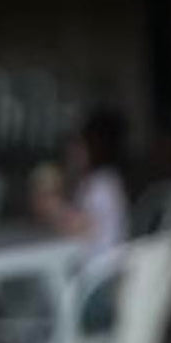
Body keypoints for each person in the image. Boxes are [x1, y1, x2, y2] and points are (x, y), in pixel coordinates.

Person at [31, 108, 130, 257]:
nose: (72, 152)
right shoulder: (93, 181)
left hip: (99, 272)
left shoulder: (103, 185)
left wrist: (51, 207)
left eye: (80, 144)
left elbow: (79, 228)